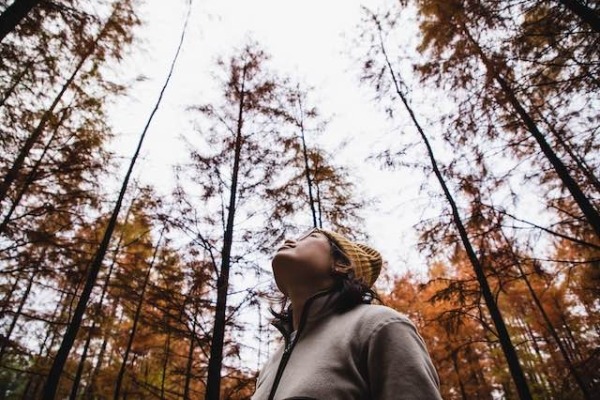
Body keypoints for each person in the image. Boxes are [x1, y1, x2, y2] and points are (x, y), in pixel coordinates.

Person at [251, 227, 442, 400]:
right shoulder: (271, 364)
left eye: (311, 237)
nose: (290, 241)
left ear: (341, 263)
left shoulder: (378, 326)